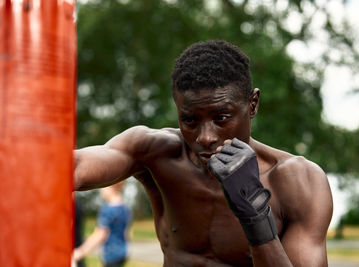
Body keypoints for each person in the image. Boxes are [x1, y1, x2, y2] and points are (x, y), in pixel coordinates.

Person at [74, 40, 333, 266]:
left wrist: (254, 214)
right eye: (190, 120)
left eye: (221, 117)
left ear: (252, 105)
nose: (205, 137)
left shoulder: (299, 181)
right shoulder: (153, 151)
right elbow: (72, 168)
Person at [73, 182, 131, 267]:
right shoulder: (125, 209)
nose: (101, 190)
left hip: (111, 255)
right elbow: (127, 233)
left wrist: (80, 251)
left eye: (102, 187)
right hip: (122, 253)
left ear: (110, 187)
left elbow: (100, 234)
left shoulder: (108, 210)